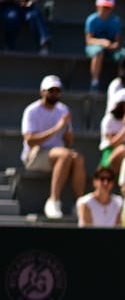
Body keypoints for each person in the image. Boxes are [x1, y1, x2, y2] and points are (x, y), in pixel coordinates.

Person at [21, 75, 87, 219]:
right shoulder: (31, 111)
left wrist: (68, 134)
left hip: (59, 155)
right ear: (42, 92)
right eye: (51, 90)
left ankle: (79, 204)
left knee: (78, 158)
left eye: (57, 90)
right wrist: (57, 128)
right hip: (35, 155)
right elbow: (30, 141)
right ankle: (53, 200)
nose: (54, 93)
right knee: (65, 154)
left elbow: (69, 142)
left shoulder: (63, 110)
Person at [85, 0, 125, 92]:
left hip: (111, 49)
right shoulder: (91, 20)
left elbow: (117, 42)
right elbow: (89, 40)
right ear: (97, 6)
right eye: (103, 6)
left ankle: (122, 83)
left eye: (108, 7)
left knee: (124, 54)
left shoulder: (116, 21)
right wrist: (102, 43)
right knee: (99, 52)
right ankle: (94, 82)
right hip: (94, 47)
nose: (105, 9)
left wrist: (113, 46)